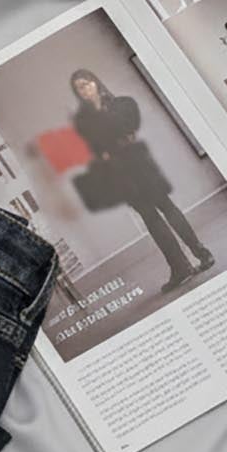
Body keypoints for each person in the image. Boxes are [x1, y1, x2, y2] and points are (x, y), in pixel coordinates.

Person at [71, 68, 215, 295]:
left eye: (87, 83)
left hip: (139, 166)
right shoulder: (84, 121)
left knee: (167, 208)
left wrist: (108, 136)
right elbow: (97, 149)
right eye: (79, 88)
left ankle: (202, 253)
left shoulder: (123, 104)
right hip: (119, 174)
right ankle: (180, 268)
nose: (85, 89)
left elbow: (127, 131)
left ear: (96, 82)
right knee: (151, 218)